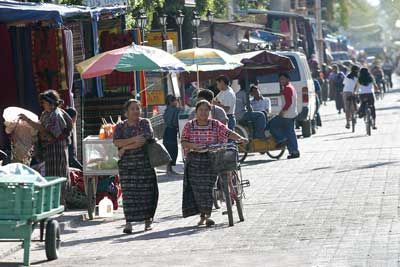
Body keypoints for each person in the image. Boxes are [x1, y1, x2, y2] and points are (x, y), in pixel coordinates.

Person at [181, 100, 248, 226]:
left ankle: (207, 216)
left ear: (210, 112)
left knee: (207, 187)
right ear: (196, 112)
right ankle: (203, 215)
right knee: (196, 188)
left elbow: (228, 132)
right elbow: (184, 142)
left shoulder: (215, 124)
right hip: (194, 159)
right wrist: (194, 145)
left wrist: (240, 138)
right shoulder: (189, 125)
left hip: (213, 158)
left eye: (206, 110)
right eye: (201, 110)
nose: (203, 112)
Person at [113, 99, 158, 233]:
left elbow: (144, 140)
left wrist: (125, 148)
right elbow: (116, 142)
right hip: (127, 166)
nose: (136, 111)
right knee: (129, 194)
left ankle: (147, 221)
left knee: (147, 193)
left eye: (137, 108)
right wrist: (131, 141)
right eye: (132, 109)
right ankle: (128, 223)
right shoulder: (120, 126)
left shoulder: (145, 123)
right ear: (126, 112)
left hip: (145, 163)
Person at [19, 90, 70, 205]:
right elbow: (42, 129)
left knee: (59, 175)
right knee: (51, 175)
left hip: (57, 150)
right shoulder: (45, 114)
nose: (43, 105)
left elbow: (48, 131)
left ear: (51, 103)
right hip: (49, 151)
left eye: (45, 103)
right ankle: (54, 202)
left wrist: (29, 121)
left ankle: (62, 202)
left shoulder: (56, 115)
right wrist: (28, 121)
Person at [269, 73, 300, 159]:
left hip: (287, 115)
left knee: (271, 124)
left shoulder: (287, 88)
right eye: (280, 79)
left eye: (283, 79)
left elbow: (288, 102)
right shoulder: (291, 87)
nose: (281, 81)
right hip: (292, 113)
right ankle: (294, 151)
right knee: (291, 133)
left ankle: (281, 139)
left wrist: (282, 112)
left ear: (287, 79)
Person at [163, 95, 181, 175]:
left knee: (167, 149)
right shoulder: (176, 110)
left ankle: (168, 169)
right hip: (172, 131)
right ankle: (169, 169)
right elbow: (175, 122)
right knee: (173, 150)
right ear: (171, 102)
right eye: (175, 100)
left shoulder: (166, 110)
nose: (176, 102)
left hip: (166, 131)